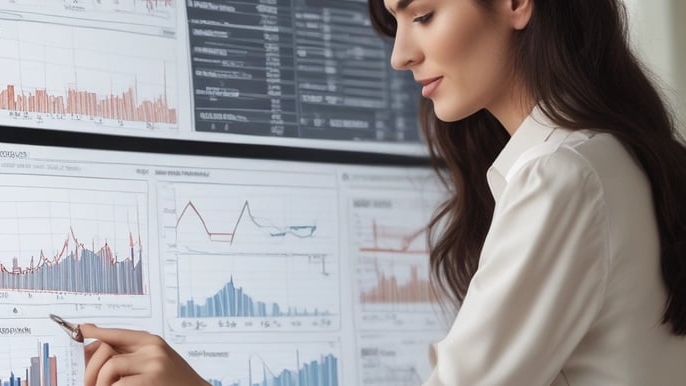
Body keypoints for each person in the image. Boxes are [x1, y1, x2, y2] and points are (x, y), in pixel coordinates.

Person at [82, 0, 686, 384]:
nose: (400, 55)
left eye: (421, 16)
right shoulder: (616, 156)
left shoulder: (561, 176)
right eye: (394, 24)